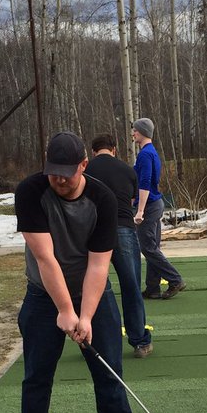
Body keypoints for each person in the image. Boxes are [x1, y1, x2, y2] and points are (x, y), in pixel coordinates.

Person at [10, 130, 134, 413]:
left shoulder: (103, 199)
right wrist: (65, 309)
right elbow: (45, 258)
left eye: (65, 174)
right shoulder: (30, 191)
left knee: (107, 366)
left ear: (83, 165)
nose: (58, 180)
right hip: (42, 293)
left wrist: (86, 316)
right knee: (37, 370)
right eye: (52, 172)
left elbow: (98, 264)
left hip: (92, 290)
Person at [87, 133, 153, 358]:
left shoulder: (87, 171)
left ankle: (99, 340)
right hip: (123, 227)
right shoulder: (127, 170)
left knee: (96, 288)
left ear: (93, 151)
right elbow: (132, 201)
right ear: (114, 149)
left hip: (95, 231)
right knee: (131, 286)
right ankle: (140, 341)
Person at [131, 117, 186, 300]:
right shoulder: (151, 152)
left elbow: (145, 182)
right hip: (155, 203)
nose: (133, 133)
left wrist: (140, 210)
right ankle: (153, 288)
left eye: (135, 130)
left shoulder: (145, 154)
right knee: (151, 246)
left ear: (142, 132)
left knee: (148, 248)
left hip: (150, 205)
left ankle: (175, 279)